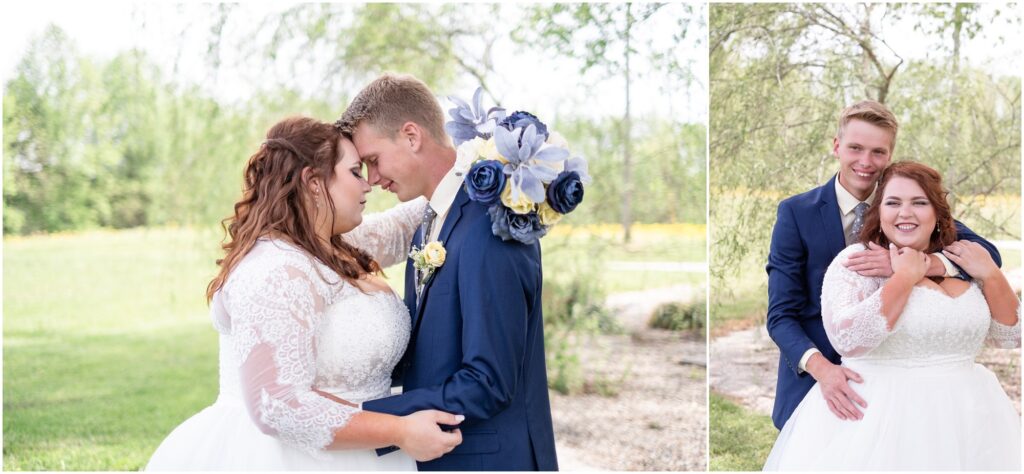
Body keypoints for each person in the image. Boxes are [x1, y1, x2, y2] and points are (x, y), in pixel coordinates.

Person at [146, 116, 463, 470]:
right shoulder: (273, 269)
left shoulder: (332, 244)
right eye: (356, 171)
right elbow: (277, 404)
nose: (369, 183)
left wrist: (484, 163)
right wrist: (399, 430)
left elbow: (410, 221)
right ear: (313, 182)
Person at [337, 73, 558, 471]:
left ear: (411, 136)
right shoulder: (430, 219)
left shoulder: (492, 224)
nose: (372, 179)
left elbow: (488, 380)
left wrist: (369, 418)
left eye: (372, 160)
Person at [764, 161, 1021, 470]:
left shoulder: (964, 259)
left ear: (938, 212)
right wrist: (903, 278)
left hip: (971, 417)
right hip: (881, 421)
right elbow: (849, 341)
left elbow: (1010, 336)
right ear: (879, 211)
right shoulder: (856, 263)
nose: (905, 213)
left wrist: (991, 275)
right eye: (893, 203)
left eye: (919, 202)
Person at [764, 100, 1001, 430]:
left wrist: (919, 265)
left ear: (889, 154)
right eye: (855, 148)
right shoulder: (796, 213)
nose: (866, 162)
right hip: (818, 380)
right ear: (837, 147)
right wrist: (821, 369)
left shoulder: (907, 206)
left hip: (895, 387)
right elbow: (780, 314)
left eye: (878, 152)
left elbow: (986, 253)